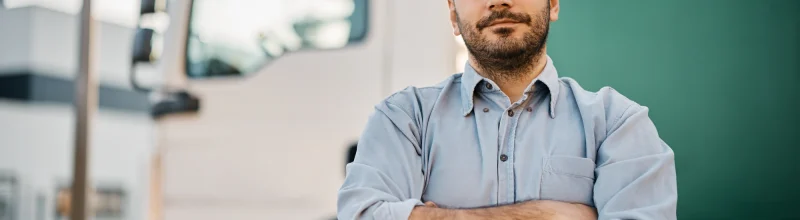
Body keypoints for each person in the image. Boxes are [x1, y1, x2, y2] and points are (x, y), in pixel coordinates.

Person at [337, 0, 677, 219]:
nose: (499, 1)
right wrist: (549, 215)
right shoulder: (403, 118)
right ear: (453, 15)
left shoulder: (617, 122)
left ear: (554, 4)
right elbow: (362, 214)